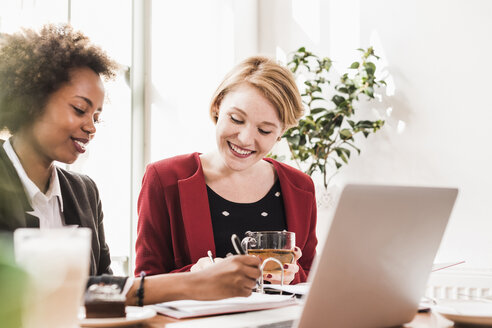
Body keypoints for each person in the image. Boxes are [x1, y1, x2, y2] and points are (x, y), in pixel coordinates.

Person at [0, 24, 260, 305]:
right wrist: (191, 283)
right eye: (79, 109)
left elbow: (103, 291)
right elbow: (25, 293)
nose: (91, 127)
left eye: (97, 117)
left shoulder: (83, 191)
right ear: (31, 100)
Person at [135, 56, 318, 285]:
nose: (245, 139)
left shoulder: (300, 187)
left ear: (280, 133)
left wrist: (292, 274)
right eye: (236, 119)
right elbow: (144, 284)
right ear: (217, 106)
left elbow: (310, 279)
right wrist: (194, 276)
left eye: (264, 130)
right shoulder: (164, 178)